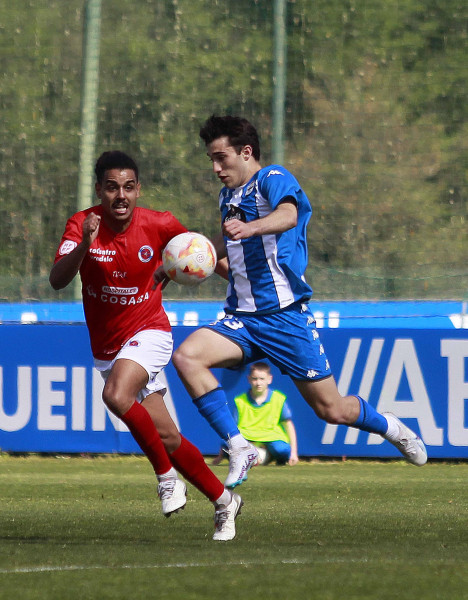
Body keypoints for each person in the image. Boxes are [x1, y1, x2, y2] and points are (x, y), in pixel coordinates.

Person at [167, 115, 427, 489]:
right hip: (242, 318)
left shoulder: (272, 178)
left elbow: (287, 215)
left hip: (285, 318)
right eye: (211, 159)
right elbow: (227, 254)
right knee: (187, 356)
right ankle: (239, 446)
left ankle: (390, 426)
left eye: (221, 158)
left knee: (331, 409)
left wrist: (250, 228)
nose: (215, 168)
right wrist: (186, 264)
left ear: (246, 152)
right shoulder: (228, 197)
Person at [50, 150, 243, 541]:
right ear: (100, 190)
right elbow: (57, 279)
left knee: (116, 395)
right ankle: (225, 502)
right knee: (168, 438)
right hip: (109, 345)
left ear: (138, 189)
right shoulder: (82, 225)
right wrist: (85, 245)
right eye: (112, 187)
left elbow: (200, 252)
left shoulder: (159, 223)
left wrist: (235, 278)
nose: (121, 195)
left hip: (150, 330)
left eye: (129, 187)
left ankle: (166, 479)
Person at [213, 362, 299, 468]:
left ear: (269, 379)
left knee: (281, 450)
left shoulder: (279, 399)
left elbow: (289, 425)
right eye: (255, 379)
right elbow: (231, 429)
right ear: (249, 379)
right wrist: (220, 456)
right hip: (247, 437)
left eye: (262, 379)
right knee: (228, 446)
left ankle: (269, 455)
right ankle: (256, 456)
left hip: (271, 438)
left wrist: (294, 453)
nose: (258, 383)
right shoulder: (240, 400)